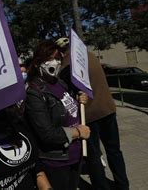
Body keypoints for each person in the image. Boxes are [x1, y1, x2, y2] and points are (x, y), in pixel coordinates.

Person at [56, 37, 129, 190]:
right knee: (114, 151)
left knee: (93, 156)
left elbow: (64, 92)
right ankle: (123, 185)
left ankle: (101, 187)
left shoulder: (66, 67)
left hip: (89, 115)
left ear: (61, 53)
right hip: (107, 109)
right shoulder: (89, 56)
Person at [24, 40, 91, 190]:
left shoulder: (60, 83)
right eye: (48, 59)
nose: (54, 62)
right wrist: (78, 132)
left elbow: (68, 111)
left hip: (75, 155)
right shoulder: (34, 93)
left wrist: (79, 100)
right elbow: (47, 134)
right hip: (56, 162)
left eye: (57, 58)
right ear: (37, 63)